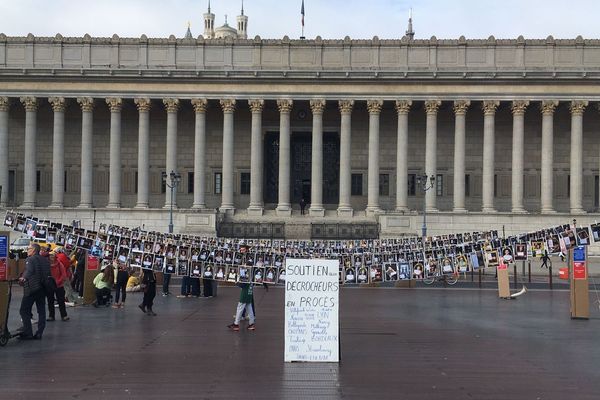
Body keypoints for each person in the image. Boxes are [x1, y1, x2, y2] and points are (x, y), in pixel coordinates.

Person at [18, 243, 50, 340]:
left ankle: (28, 332)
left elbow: (30, 270)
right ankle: (39, 332)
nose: (27, 250)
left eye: (29, 248)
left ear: (34, 250)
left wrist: (24, 278)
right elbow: (48, 273)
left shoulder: (30, 259)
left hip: (32, 289)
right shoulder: (45, 260)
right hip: (43, 289)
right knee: (41, 311)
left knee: (24, 310)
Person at [46, 251, 69, 321]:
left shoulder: (59, 264)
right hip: (50, 285)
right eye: (50, 256)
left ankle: (64, 315)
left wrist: (58, 281)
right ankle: (51, 316)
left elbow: (64, 275)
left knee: (61, 301)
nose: (51, 257)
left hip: (59, 285)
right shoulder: (46, 265)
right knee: (50, 301)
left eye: (53, 256)